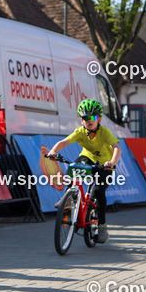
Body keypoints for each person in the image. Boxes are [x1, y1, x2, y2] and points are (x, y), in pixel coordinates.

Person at [46, 98, 121, 243]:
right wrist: (53, 151)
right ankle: (68, 198)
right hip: (87, 158)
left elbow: (116, 148)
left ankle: (102, 226)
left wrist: (112, 162)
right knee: (75, 167)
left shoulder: (104, 132)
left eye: (93, 117)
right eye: (85, 118)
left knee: (99, 191)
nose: (89, 121)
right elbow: (64, 142)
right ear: (81, 120)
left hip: (104, 164)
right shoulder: (80, 132)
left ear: (99, 118)